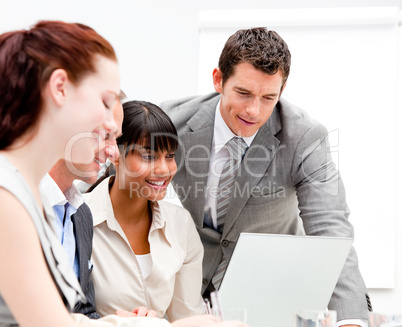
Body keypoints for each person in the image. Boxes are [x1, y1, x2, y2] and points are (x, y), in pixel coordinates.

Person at [0, 20, 246, 327]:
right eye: (105, 101)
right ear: (59, 89)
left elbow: (74, 315)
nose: (113, 152)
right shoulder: (8, 195)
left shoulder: (58, 206)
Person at [160, 27, 371, 327]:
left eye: (268, 97)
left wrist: (351, 321)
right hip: (188, 292)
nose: (254, 110)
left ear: (281, 92)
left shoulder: (304, 137)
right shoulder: (171, 123)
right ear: (218, 80)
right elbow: (109, 187)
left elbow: (331, 231)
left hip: (272, 291)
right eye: (243, 93)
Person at [84, 100, 204, 321]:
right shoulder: (77, 217)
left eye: (170, 156)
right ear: (115, 155)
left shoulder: (181, 223)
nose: (164, 169)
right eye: (149, 156)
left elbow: (188, 318)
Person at [39, 95, 124, 319]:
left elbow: (83, 312)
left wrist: (124, 321)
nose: (114, 153)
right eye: (106, 136)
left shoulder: (82, 215)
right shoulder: (16, 203)